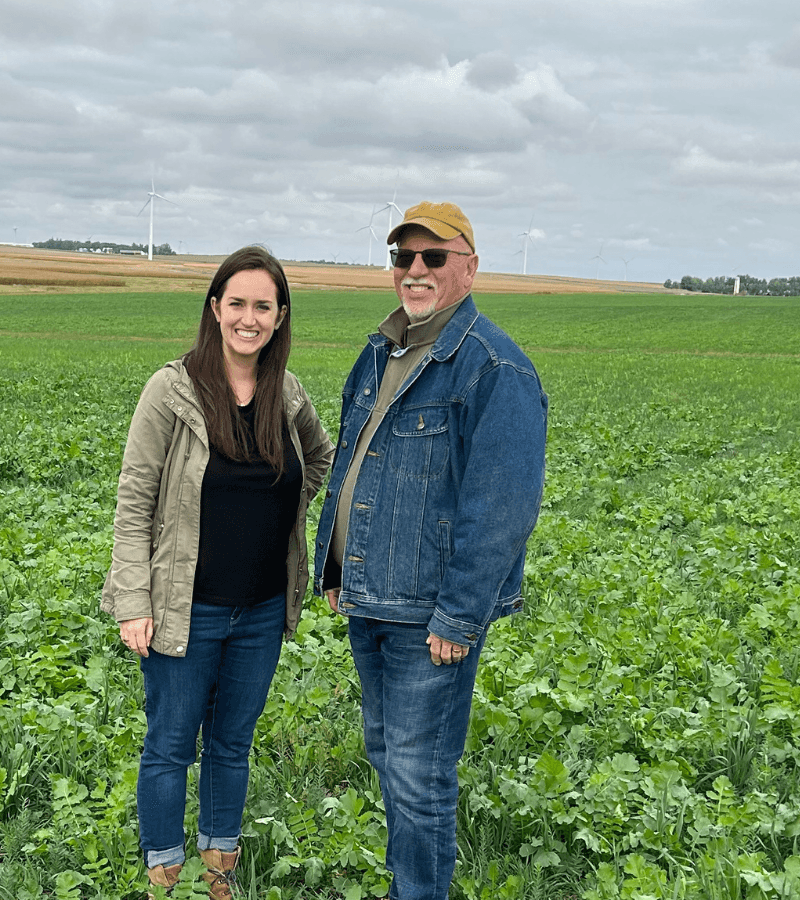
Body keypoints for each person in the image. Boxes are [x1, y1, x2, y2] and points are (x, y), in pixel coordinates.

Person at [314, 202, 548, 899]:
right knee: (390, 757)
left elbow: (502, 505)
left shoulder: (492, 367)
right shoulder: (380, 349)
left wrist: (459, 614)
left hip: (427, 612)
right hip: (372, 593)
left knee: (419, 775)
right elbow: (354, 458)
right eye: (403, 258)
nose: (414, 271)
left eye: (432, 258)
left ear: (468, 268)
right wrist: (332, 563)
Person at [101, 245, 334, 899]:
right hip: (185, 608)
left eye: (264, 306)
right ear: (215, 309)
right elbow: (134, 501)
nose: (249, 317)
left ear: (280, 315)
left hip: (260, 609)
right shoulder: (170, 391)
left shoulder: (286, 394)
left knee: (232, 744)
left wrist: (283, 508)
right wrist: (132, 600)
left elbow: (318, 460)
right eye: (238, 303)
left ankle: (220, 874)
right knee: (171, 743)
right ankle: (163, 875)